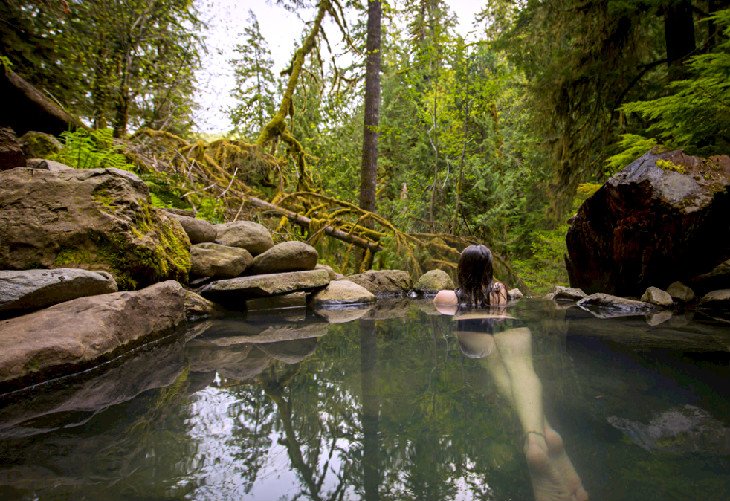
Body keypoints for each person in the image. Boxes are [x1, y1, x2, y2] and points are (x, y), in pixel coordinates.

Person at [434, 245, 589, 501]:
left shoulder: (446, 297)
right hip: (512, 329)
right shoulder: (500, 291)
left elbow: (441, 310)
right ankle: (542, 432)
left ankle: (535, 441)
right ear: (489, 268)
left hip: (473, 331)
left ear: (461, 268)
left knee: (497, 370)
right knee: (523, 371)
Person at [433, 244, 508, 311]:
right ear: (488, 270)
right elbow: (501, 316)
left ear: (462, 269)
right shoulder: (498, 292)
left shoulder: (443, 296)